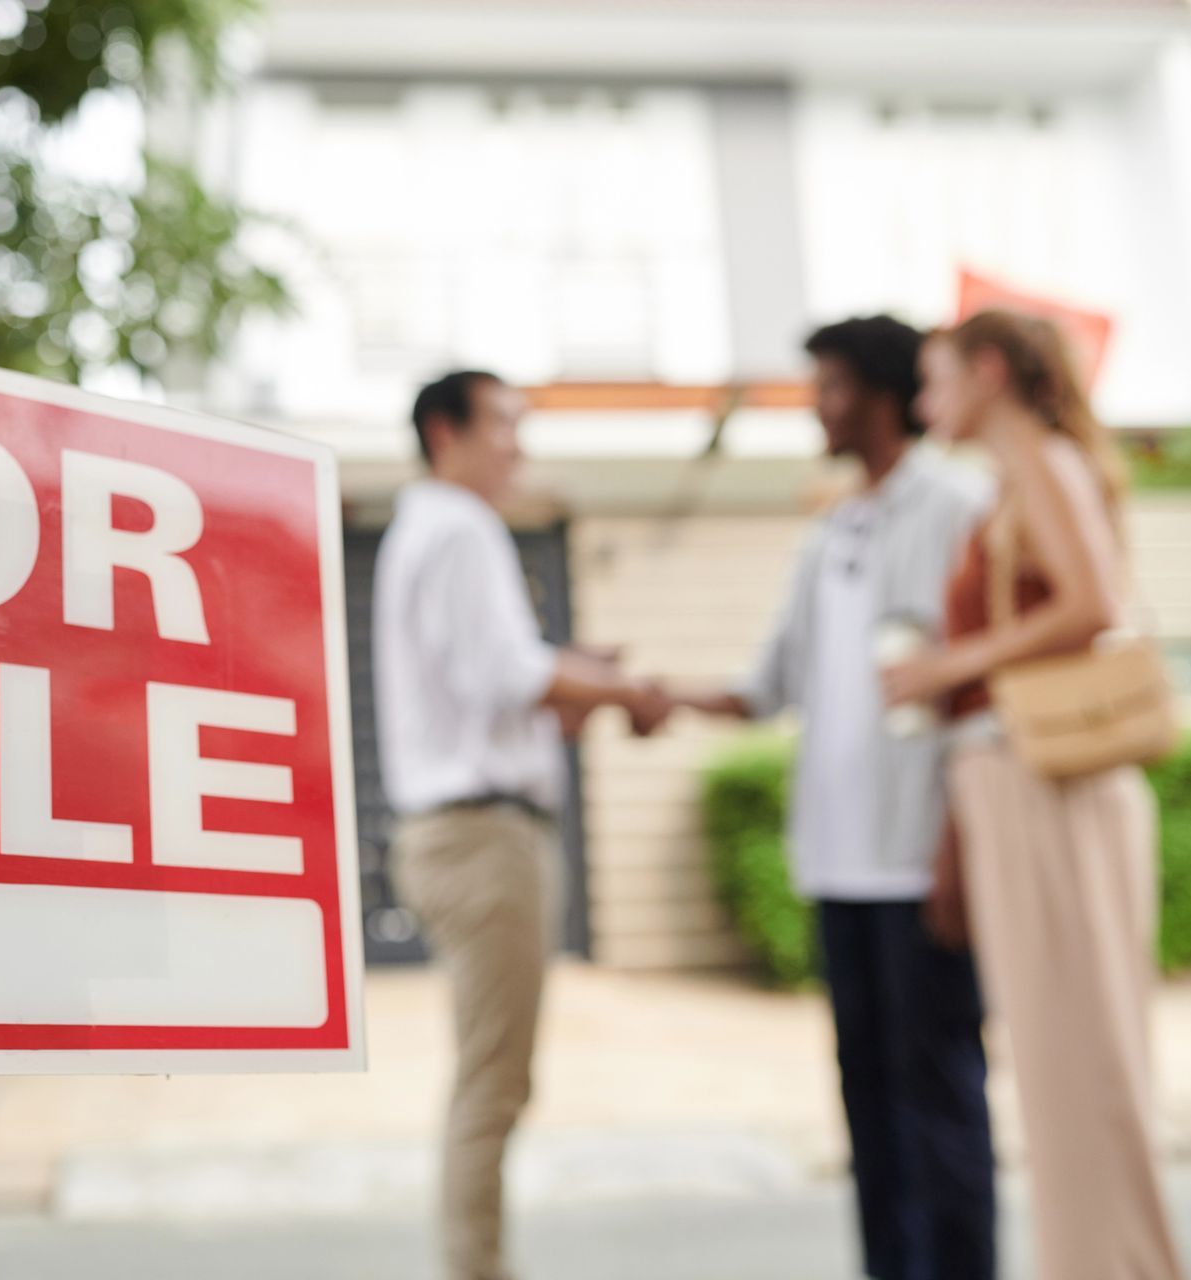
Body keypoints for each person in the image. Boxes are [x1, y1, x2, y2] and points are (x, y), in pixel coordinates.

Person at [665, 317, 997, 1280]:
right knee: (869, 1107)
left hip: (918, 857)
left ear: (886, 396)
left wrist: (956, 847)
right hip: (838, 864)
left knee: (941, 1100)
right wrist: (646, 695)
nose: (817, 404)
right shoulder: (828, 534)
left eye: (833, 386)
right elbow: (763, 685)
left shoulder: (959, 505)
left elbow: (979, 694)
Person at [882, 311, 1185, 1280]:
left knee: (1083, 1062)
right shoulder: (1020, 478)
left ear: (989, 370)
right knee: (1062, 1066)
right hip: (1014, 784)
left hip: (1047, 781)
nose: (926, 405)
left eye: (934, 381)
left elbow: (1093, 603)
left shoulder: (1043, 463)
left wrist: (947, 664)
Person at [374, 370, 670, 1280]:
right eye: (502, 423)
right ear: (443, 430)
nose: (517, 445)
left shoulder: (429, 529)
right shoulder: (459, 527)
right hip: (481, 838)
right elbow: (507, 676)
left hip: (468, 832)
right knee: (493, 1085)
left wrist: (573, 675)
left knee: (492, 1079)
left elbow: (496, 680)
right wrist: (618, 688)